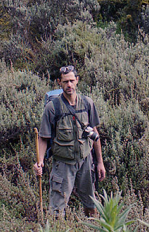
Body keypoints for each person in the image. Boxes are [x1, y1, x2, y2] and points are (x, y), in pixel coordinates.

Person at [34, 65, 106, 218]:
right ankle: (55, 227)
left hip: (85, 161)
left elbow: (95, 133)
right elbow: (43, 137)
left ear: (77, 81)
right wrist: (40, 162)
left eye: (72, 81)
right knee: (57, 208)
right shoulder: (52, 108)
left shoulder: (87, 103)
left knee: (91, 202)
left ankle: (91, 226)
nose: (69, 85)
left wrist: (99, 162)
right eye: (65, 81)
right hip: (63, 164)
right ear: (59, 82)